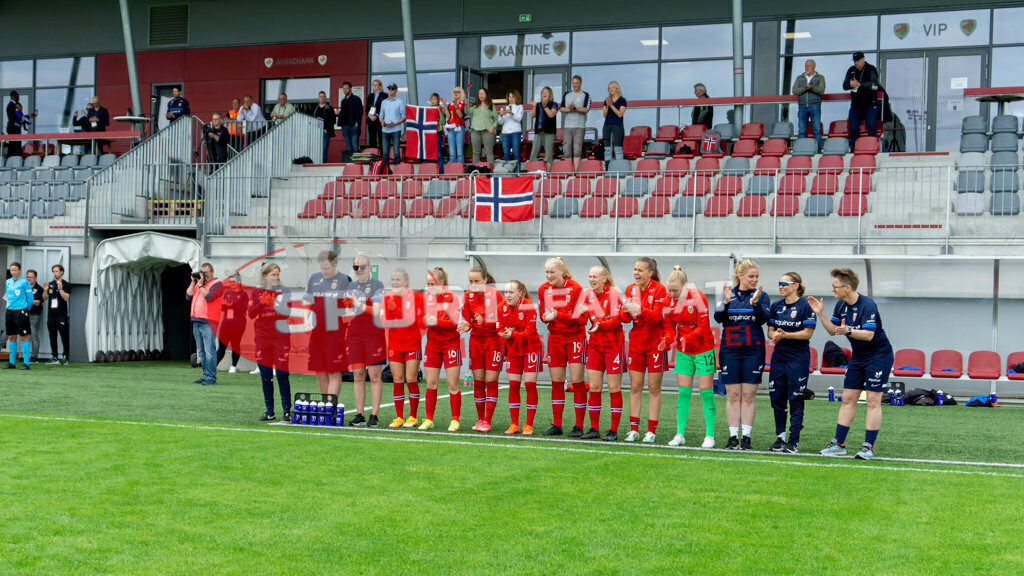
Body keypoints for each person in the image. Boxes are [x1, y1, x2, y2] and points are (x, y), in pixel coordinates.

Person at [810, 268, 894, 460]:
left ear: (847, 288)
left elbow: (869, 334)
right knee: (847, 398)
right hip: (859, 356)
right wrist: (820, 314)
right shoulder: (840, 306)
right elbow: (833, 331)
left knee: (873, 401)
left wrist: (848, 331)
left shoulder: (868, 305)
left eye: (835, 286)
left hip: (879, 356)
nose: (833, 290)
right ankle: (838, 444)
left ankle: (868, 447)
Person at [714, 258, 769, 450]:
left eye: (757, 276)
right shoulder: (728, 294)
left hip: (754, 351)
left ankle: (746, 437)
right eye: (751, 276)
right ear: (741, 276)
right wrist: (726, 302)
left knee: (748, 395)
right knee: (733, 395)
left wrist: (755, 303)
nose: (754, 280)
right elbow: (718, 317)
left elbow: (763, 319)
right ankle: (732, 437)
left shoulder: (762, 295)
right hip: (730, 351)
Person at [663, 266, 717, 448]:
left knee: (706, 392)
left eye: (675, 290)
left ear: (685, 285)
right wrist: (668, 340)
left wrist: (686, 337)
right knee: (683, 392)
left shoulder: (698, 297)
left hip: (703, 349)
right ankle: (680, 434)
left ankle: (709, 435)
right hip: (683, 352)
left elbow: (703, 326)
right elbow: (669, 326)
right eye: (669, 290)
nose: (672, 294)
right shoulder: (668, 301)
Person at [620, 257, 668, 443]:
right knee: (635, 387)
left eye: (640, 270)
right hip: (637, 344)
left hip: (655, 344)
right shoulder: (630, 289)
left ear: (650, 273)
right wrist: (626, 311)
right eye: (635, 269)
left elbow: (656, 317)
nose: (636, 273)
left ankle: (651, 431)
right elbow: (624, 318)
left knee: (654, 388)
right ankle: (633, 430)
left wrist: (637, 309)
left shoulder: (660, 289)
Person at [537, 257, 587, 436]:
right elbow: (543, 315)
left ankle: (578, 426)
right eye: (546, 272)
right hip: (556, 339)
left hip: (575, 337)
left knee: (577, 381)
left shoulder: (576, 288)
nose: (548, 275)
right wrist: (547, 317)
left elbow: (581, 319)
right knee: (557, 382)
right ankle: (557, 425)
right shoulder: (543, 289)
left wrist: (559, 315)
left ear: (562, 272)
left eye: (552, 272)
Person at [767, 272, 816, 454]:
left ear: (795, 286)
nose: (781, 286)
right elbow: (770, 332)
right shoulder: (776, 306)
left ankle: (793, 442)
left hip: (798, 358)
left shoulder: (806, 306)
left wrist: (786, 335)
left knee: (795, 398)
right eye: (779, 283)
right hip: (779, 357)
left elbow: (807, 333)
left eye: (784, 283)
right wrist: (776, 335)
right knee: (777, 398)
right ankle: (780, 437)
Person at [578, 266, 624, 441]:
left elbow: (616, 319)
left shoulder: (613, 293)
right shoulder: (587, 294)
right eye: (589, 276)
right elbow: (582, 319)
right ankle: (594, 428)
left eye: (595, 276)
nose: (591, 279)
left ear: (605, 278)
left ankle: (613, 430)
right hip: (595, 346)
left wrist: (600, 325)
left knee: (614, 388)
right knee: (595, 387)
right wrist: (581, 314)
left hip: (613, 346)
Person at [458, 266, 505, 433]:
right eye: (471, 281)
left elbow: (501, 320)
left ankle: (488, 420)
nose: (473, 285)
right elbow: (469, 320)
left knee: (490, 380)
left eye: (476, 281)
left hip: (493, 340)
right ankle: (480, 418)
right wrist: (467, 325)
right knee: (478, 381)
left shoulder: (496, 294)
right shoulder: (467, 296)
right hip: (476, 341)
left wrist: (484, 320)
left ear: (485, 280)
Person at [379, 268, 424, 429]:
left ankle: (413, 416)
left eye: (398, 280)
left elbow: (412, 321)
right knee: (397, 379)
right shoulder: (386, 298)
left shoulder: (416, 297)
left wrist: (396, 311)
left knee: (411, 378)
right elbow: (385, 323)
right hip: (395, 344)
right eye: (392, 280)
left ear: (405, 281)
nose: (394, 282)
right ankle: (399, 417)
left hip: (412, 343)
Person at [247, 262, 292, 422]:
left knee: (282, 374)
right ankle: (269, 411)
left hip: (281, 337)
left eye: (278, 274)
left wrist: (273, 304)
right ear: (265, 275)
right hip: (262, 337)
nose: (276, 277)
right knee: (266, 376)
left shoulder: (284, 291)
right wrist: (261, 304)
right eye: (273, 274)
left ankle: (287, 410)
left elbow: (287, 313)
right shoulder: (256, 292)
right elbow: (251, 314)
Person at [345, 254, 387, 427]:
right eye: (356, 267)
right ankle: (359, 414)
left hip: (373, 334)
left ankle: (374, 415)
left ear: (369, 267)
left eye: (362, 267)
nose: (359, 270)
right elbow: (348, 313)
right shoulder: (351, 287)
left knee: (375, 375)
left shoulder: (378, 285)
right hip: (355, 334)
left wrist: (357, 303)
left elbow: (376, 311)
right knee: (357, 375)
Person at [497, 280, 542, 435]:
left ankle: (528, 425)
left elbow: (531, 331)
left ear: (520, 293)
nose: (507, 295)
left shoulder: (528, 305)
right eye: (506, 292)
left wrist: (512, 334)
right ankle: (514, 424)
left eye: (511, 292)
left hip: (531, 349)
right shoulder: (501, 307)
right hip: (513, 350)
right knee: (514, 385)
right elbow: (500, 327)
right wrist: (504, 334)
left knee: (529, 384)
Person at [303, 250, 350, 398]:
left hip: (336, 334)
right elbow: (307, 301)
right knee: (320, 371)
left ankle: (331, 407)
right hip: (317, 333)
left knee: (334, 371)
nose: (323, 271)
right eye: (321, 268)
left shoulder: (345, 280)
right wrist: (306, 320)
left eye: (327, 268)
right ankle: (325, 405)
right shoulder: (314, 279)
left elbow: (351, 307)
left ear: (335, 264)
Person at [422, 267, 462, 431]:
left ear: (442, 283)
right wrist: (424, 321)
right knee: (431, 383)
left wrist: (436, 321)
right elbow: (420, 321)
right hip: (432, 345)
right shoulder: (426, 298)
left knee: (452, 384)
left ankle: (455, 420)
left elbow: (454, 323)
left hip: (450, 344)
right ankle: (428, 419)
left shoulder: (452, 297)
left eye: (433, 284)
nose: (430, 287)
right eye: (428, 284)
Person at [186, 262, 224, 385]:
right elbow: (188, 296)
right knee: (201, 351)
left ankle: (211, 377)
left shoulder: (217, 284)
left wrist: (201, 284)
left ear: (212, 272)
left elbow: (209, 298)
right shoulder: (199, 284)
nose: (203, 275)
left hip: (209, 321)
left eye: (205, 272)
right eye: (201, 272)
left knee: (209, 350)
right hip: (196, 320)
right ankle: (205, 375)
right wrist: (193, 281)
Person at [843, 52, 881, 147]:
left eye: (857, 61)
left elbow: (875, 84)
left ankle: (872, 147)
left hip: (870, 103)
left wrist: (860, 84)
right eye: (854, 61)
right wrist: (850, 85)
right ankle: (855, 148)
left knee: (871, 124)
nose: (855, 63)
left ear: (863, 59)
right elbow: (844, 85)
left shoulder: (871, 69)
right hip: (856, 105)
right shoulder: (851, 70)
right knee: (852, 128)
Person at [216, 273, 248, 374]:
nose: (231, 283)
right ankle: (214, 365)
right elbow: (222, 308)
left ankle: (233, 366)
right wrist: (224, 305)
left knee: (235, 344)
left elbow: (244, 308)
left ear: (239, 282)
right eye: (230, 281)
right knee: (221, 345)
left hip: (238, 323)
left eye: (233, 281)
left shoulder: (243, 295)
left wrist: (233, 305)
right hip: (226, 322)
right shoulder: (227, 293)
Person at [792, 60, 826, 152]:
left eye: (809, 66)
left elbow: (821, 90)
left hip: (815, 106)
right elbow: (794, 90)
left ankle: (817, 150)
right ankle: (801, 151)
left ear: (814, 66)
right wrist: (805, 88)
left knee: (817, 130)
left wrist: (812, 88)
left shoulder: (820, 77)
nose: (807, 67)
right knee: (802, 131)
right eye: (806, 66)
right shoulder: (800, 77)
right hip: (802, 107)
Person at [4, 262, 33, 370]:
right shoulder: (8, 282)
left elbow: (30, 299)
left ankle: (26, 363)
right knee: (11, 336)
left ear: (19, 270)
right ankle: (12, 363)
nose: (13, 272)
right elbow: (7, 296)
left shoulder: (24, 282)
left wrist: (25, 309)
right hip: (10, 311)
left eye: (15, 270)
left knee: (23, 336)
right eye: (11, 270)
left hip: (21, 312)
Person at [559, 75, 591, 170]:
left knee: (577, 150)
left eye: (576, 83)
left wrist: (575, 108)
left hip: (579, 126)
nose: (575, 85)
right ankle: (569, 172)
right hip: (568, 126)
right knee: (567, 150)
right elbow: (561, 108)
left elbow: (586, 109)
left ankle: (576, 172)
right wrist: (569, 109)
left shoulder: (586, 95)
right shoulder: (567, 94)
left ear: (580, 83)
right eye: (573, 83)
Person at [43, 264, 71, 365]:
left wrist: (60, 289)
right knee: (52, 336)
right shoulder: (50, 284)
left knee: (64, 336)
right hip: (51, 314)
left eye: (57, 271)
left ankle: (66, 357)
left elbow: (66, 298)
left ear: (62, 272)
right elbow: (44, 298)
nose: (55, 273)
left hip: (61, 315)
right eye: (54, 272)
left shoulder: (66, 284)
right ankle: (54, 356)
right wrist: (45, 290)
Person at [529, 86, 559, 170]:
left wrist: (545, 106)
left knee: (548, 155)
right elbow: (532, 115)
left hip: (549, 132)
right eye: (543, 92)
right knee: (533, 153)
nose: (544, 93)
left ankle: (548, 175)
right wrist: (534, 106)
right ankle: (533, 173)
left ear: (550, 94)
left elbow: (551, 115)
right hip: (539, 131)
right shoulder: (538, 104)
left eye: (546, 92)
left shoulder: (554, 104)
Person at [466, 88, 498, 164]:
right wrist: (466, 105)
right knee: (476, 152)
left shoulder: (491, 106)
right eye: (479, 93)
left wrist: (493, 126)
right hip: (475, 131)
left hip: (487, 131)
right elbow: (468, 112)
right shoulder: (474, 106)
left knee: (489, 152)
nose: (481, 95)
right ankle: (475, 170)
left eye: (483, 93)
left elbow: (496, 119)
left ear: (486, 95)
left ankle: (490, 170)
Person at [602, 81, 627, 167]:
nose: (610, 89)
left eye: (612, 87)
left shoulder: (622, 100)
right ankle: (608, 167)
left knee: (618, 149)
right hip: (607, 125)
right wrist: (607, 105)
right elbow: (604, 115)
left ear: (617, 88)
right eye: (609, 88)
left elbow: (620, 114)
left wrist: (611, 105)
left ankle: (619, 167)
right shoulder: (607, 101)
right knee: (607, 149)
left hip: (617, 126)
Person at [379, 83, 406, 165]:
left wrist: (396, 123)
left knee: (396, 152)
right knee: (385, 153)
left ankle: (397, 171)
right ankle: (386, 171)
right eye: (389, 89)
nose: (390, 90)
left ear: (396, 90)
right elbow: (381, 115)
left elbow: (404, 117)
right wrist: (382, 121)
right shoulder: (383, 102)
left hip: (396, 129)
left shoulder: (400, 102)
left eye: (392, 89)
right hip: (385, 129)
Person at [498, 89, 524, 168]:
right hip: (505, 133)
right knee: (506, 153)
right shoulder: (503, 108)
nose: (511, 99)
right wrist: (500, 115)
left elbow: (519, 119)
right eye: (509, 97)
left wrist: (511, 113)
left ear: (516, 98)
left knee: (516, 152)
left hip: (516, 132)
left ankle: (518, 171)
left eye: (513, 97)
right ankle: (507, 171)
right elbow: (500, 122)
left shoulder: (520, 107)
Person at [337, 82, 363, 159]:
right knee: (348, 147)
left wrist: (357, 122)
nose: (345, 90)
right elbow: (343, 113)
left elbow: (360, 111)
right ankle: (349, 165)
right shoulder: (343, 101)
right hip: (345, 126)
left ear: (351, 89)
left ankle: (357, 165)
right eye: (343, 89)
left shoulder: (357, 99)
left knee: (355, 146)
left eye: (346, 88)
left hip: (354, 126)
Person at [441, 87, 466, 164]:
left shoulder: (463, 104)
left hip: (459, 128)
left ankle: (460, 167)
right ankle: (451, 168)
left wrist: (456, 106)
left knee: (459, 152)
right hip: (451, 128)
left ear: (461, 94)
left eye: (458, 92)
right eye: (454, 92)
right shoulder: (450, 104)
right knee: (452, 152)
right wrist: (445, 106)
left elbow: (461, 115)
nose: (456, 93)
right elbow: (448, 116)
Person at [312, 91, 336, 163]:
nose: (322, 98)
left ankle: (322, 164)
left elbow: (333, 121)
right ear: (318, 98)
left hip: (325, 132)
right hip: (315, 132)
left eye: (323, 97)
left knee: (323, 149)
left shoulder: (330, 108)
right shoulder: (315, 108)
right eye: (320, 96)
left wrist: (326, 129)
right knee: (315, 149)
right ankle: (316, 163)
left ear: (325, 98)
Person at [25, 270, 44, 363]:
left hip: (34, 315)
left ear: (35, 278)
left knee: (33, 336)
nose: (28, 279)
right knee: (24, 336)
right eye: (27, 277)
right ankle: (25, 356)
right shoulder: (23, 287)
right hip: (23, 314)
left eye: (31, 277)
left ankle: (34, 357)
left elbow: (37, 302)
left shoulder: (39, 289)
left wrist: (25, 301)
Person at [365, 79, 387, 151]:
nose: (374, 86)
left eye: (376, 85)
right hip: (371, 120)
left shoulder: (385, 95)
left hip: (379, 120)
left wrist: (377, 115)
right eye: (373, 85)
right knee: (372, 138)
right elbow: (367, 108)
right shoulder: (370, 96)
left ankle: (381, 155)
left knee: (381, 137)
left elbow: (384, 109)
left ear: (380, 86)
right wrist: (370, 115)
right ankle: (373, 154)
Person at [429, 93, 447, 172]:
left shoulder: (441, 109)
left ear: (438, 100)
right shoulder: (427, 110)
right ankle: (428, 171)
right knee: (429, 152)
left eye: (435, 99)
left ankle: (441, 172)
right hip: (429, 134)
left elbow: (443, 123)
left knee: (438, 153)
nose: (433, 101)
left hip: (437, 133)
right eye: (432, 99)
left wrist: (440, 112)